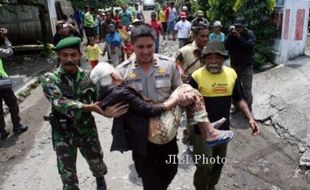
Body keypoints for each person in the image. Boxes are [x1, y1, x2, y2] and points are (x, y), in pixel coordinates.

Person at [41, 37, 128, 190]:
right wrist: (91, 108)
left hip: (87, 129)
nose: (69, 59)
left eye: (73, 55)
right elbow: (59, 103)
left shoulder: (89, 77)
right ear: (59, 56)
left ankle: (100, 179)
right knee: (67, 174)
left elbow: (102, 98)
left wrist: (117, 87)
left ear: (80, 55)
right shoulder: (50, 79)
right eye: (65, 55)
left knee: (96, 161)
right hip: (63, 133)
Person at [91, 62, 233, 149]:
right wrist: (175, 99)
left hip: (152, 131)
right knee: (185, 89)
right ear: (113, 76)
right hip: (158, 131)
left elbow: (97, 105)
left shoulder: (107, 94)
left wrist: (101, 111)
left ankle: (206, 128)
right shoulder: (120, 93)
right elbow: (151, 110)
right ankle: (208, 132)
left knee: (186, 91)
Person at [116, 24, 185, 190]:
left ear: (155, 43)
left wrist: (183, 100)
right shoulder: (121, 72)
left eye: (149, 46)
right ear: (132, 46)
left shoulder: (169, 66)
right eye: (140, 47)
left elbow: (179, 89)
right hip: (140, 135)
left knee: (171, 168)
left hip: (166, 131)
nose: (146, 51)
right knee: (147, 175)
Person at [189, 41, 259, 190]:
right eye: (210, 57)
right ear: (204, 58)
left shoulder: (231, 74)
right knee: (204, 164)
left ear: (224, 58)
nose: (213, 61)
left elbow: (239, 98)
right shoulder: (196, 77)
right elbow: (188, 107)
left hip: (223, 130)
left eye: (218, 57)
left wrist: (250, 118)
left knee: (219, 162)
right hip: (202, 131)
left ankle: (211, 185)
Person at [0, 28, 28, 140]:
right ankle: (17, 125)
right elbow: (8, 52)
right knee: (12, 103)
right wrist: (6, 38)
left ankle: (1, 132)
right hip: (1, 81)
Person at [224, 17, 256, 112]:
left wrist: (239, 37)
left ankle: (248, 109)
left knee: (246, 90)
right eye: (236, 26)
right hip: (234, 66)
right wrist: (230, 35)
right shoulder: (231, 35)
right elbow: (225, 46)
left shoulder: (249, 34)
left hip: (247, 67)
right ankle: (236, 107)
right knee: (235, 89)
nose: (237, 29)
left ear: (244, 27)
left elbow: (249, 47)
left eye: (240, 27)